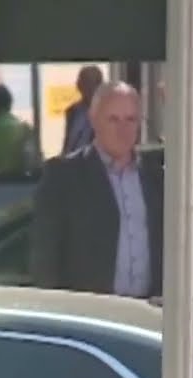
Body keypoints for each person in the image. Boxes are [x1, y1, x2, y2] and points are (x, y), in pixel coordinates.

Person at [30, 81, 164, 297]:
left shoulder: (155, 178)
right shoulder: (64, 176)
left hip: (148, 311)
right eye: (113, 119)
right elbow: (45, 258)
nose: (123, 130)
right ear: (94, 120)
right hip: (92, 311)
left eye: (130, 119)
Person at [62, 65, 103, 154]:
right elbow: (68, 143)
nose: (86, 88)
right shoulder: (72, 111)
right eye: (82, 83)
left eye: (90, 83)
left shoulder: (107, 112)